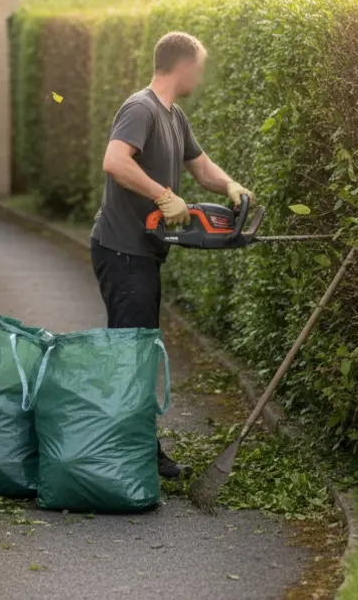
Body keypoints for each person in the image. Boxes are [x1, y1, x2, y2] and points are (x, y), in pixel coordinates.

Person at [90, 31, 254, 479]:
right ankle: (128, 457)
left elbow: (201, 168)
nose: (201, 74)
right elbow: (115, 161)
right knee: (132, 354)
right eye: (199, 65)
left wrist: (231, 186)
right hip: (122, 250)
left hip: (142, 254)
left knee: (139, 350)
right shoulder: (140, 107)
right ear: (183, 64)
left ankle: (136, 449)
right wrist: (164, 195)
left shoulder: (174, 117)